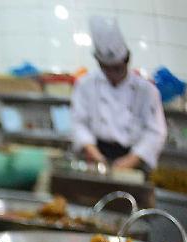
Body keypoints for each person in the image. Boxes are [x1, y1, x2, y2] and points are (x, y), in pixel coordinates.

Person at [70, 16, 167, 171]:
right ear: (99, 64)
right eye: (106, 68)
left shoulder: (147, 91)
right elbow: (78, 123)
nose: (111, 74)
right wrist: (93, 153)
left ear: (127, 61)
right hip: (94, 153)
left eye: (117, 69)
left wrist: (132, 160)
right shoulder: (85, 85)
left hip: (132, 158)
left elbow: (156, 133)